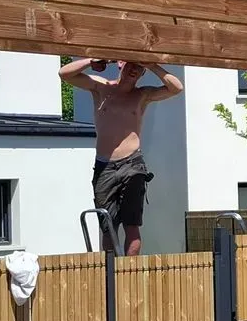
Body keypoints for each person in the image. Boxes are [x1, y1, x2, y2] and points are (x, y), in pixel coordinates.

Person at [58, 58, 183, 255]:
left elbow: (176, 88)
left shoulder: (142, 95)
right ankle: (111, 274)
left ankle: (129, 275)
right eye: (131, 64)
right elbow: (65, 74)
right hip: (104, 166)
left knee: (132, 226)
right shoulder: (101, 87)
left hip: (132, 164)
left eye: (139, 67)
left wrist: (152, 65)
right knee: (108, 227)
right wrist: (93, 60)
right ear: (120, 64)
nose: (134, 69)